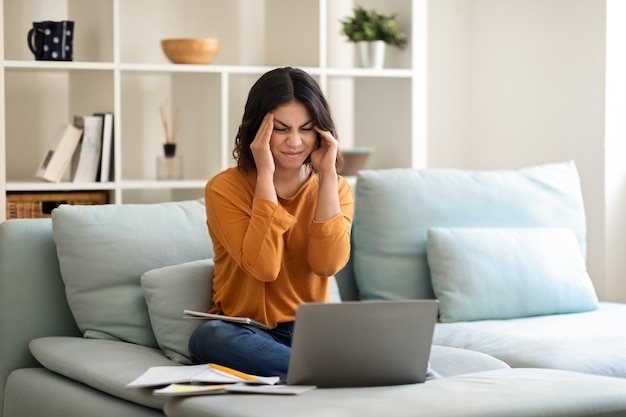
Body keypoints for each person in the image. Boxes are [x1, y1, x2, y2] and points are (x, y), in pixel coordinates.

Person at [188, 67, 355, 378]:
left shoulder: (337, 189)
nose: (294, 141)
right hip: (248, 333)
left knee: (375, 334)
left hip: (313, 334)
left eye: (305, 128)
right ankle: (335, 373)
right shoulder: (224, 188)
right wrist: (265, 175)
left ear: (321, 132)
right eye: (281, 128)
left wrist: (329, 175)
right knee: (209, 337)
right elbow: (264, 268)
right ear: (257, 129)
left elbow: (327, 264)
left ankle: (315, 372)